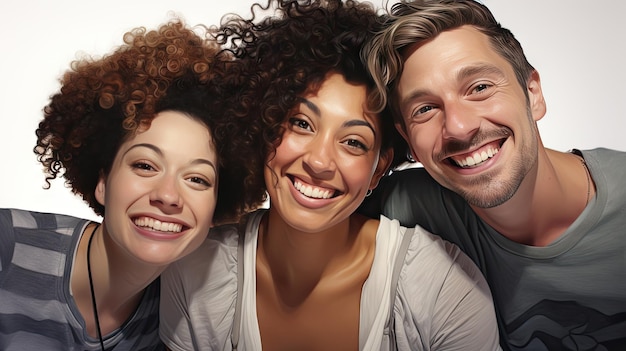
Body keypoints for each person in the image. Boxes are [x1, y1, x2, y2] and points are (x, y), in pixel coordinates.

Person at [159, 1, 501, 350]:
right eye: (301, 124)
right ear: (265, 124)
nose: (320, 162)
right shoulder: (195, 274)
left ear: (378, 169)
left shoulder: (442, 289)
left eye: (353, 142)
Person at [358, 0, 626, 350]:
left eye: (480, 87)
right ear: (408, 139)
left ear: (533, 94)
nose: (458, 127)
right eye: (425, 109)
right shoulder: (406, 207)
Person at [0, 20, 266, 350]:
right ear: (102, 182)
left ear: (216, 208)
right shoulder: (8, 246)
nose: (168, 195)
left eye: (197, 179)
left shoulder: (182, 319)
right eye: (145, 165)